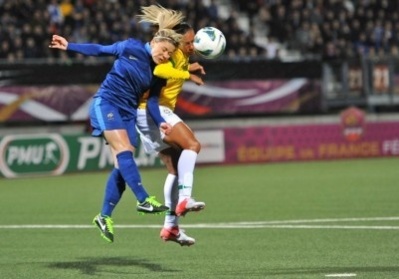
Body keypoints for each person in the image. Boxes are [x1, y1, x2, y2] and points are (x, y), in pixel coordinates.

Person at [48, 6, 185, 243]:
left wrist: (161, 122)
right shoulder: (130, 46)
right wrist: (69, 45)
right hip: (107, 103)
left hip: (128, 113)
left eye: (169, 55)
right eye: (163, 50)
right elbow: (100, 50)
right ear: (154, 42)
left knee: (123, 163)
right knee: (124, 152)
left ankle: (104, 216)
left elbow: (152, 102)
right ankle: (143, 199)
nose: (165, 56)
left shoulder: (159, 73)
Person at [136, 7, 206, 246]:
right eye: (189, 41)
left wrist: (189, 68)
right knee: (193, 145)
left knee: (175, 170)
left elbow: (173, 69)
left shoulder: (180, 56)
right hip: (153, 111)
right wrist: (188, 75)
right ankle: (185, 198)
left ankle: (171, 227)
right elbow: (161, 70)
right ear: (178, 41)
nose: (193, 46)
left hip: (144, 115)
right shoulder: (173, 53)